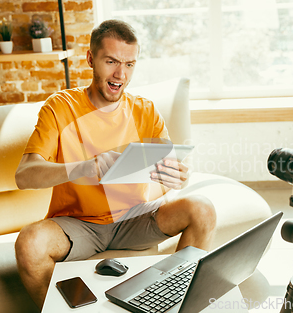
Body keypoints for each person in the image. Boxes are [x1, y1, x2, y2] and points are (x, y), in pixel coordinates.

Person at [14, 19, 217, 310]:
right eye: (111, 61)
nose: (120, 74)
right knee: (30, 242)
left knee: (202, 208)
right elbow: (24, 175)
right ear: (90, 59)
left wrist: (177, 175)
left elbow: (169, 169)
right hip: (77, 224)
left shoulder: (145, 110)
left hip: (134, 217)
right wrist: (85, 167)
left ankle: (168, 303)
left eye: (130, 64)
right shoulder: (60, 107)